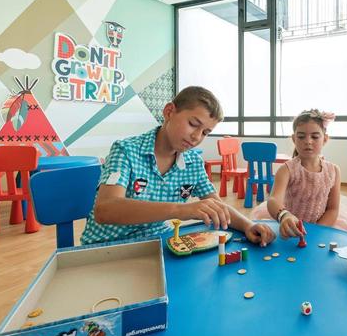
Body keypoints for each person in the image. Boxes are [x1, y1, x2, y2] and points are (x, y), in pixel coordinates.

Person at [81, 86, 275, 247]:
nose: (196, 137)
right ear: (169, 112)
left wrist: (248, 225)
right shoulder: (125, 150)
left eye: (205, 132)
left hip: (159, 243)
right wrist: (180, 209)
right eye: (193, 124)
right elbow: (105, 210)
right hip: (107, 247)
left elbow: (217, 206)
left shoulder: (192, 161)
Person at [251, 109, 347, 238]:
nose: (308, 141)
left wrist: (315, 231)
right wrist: (284, 215)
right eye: (301, 137)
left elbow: (333, 209)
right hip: (289, 227)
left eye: (315, 137)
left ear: (325, 139)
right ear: (294, 139)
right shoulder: (287, 169)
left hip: (322, 228)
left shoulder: (333, 171)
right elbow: (273, 200)